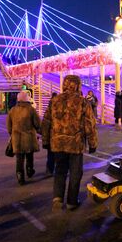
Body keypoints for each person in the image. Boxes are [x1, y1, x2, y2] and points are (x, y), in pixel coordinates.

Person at [41, 75, 98, 211]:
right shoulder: (82, 102)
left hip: (58, 143)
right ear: (78, 85)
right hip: (75, 144)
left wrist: (45, 140)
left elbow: (46, 122)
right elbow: (89, 124)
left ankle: (58, 198)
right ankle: (72, 201)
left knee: (60, 170)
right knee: (75, 173)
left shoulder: (54, 100)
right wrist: (92, 143)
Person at [7, 91, 41, 185]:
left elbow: (9, 126)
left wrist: (12, 133)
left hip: (17, 138)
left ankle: (20, 176)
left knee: (19, 158)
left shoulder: (12, 110)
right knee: (29, 156)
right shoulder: (31, 110)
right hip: (29, 137)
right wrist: (38, 130)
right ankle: (29, 170)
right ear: (27, 99)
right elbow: (37, 123)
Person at [42, 92, 58, 176]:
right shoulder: (62, 109)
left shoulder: (49, 110)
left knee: (51, 154)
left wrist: (45, 140)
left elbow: (45, 125)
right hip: (58, 137)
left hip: (51, 137)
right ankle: (55, 169)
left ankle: (49, 169)